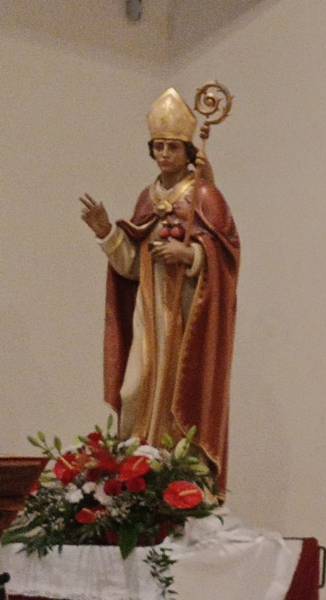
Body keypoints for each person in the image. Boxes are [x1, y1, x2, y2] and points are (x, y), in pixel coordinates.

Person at [78, 88, 239, 491]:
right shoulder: (147, 198)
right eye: (158, 146)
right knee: (135, 386)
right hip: (149, 316)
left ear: (188, 151)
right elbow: (131, 266)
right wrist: (106, 232)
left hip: (188, 317)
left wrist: (191, 254)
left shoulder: (205, 195)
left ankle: (182, 476)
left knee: (182, 392)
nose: (165, 154)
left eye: (173, 146)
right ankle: (137, 468)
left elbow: (227, 257)